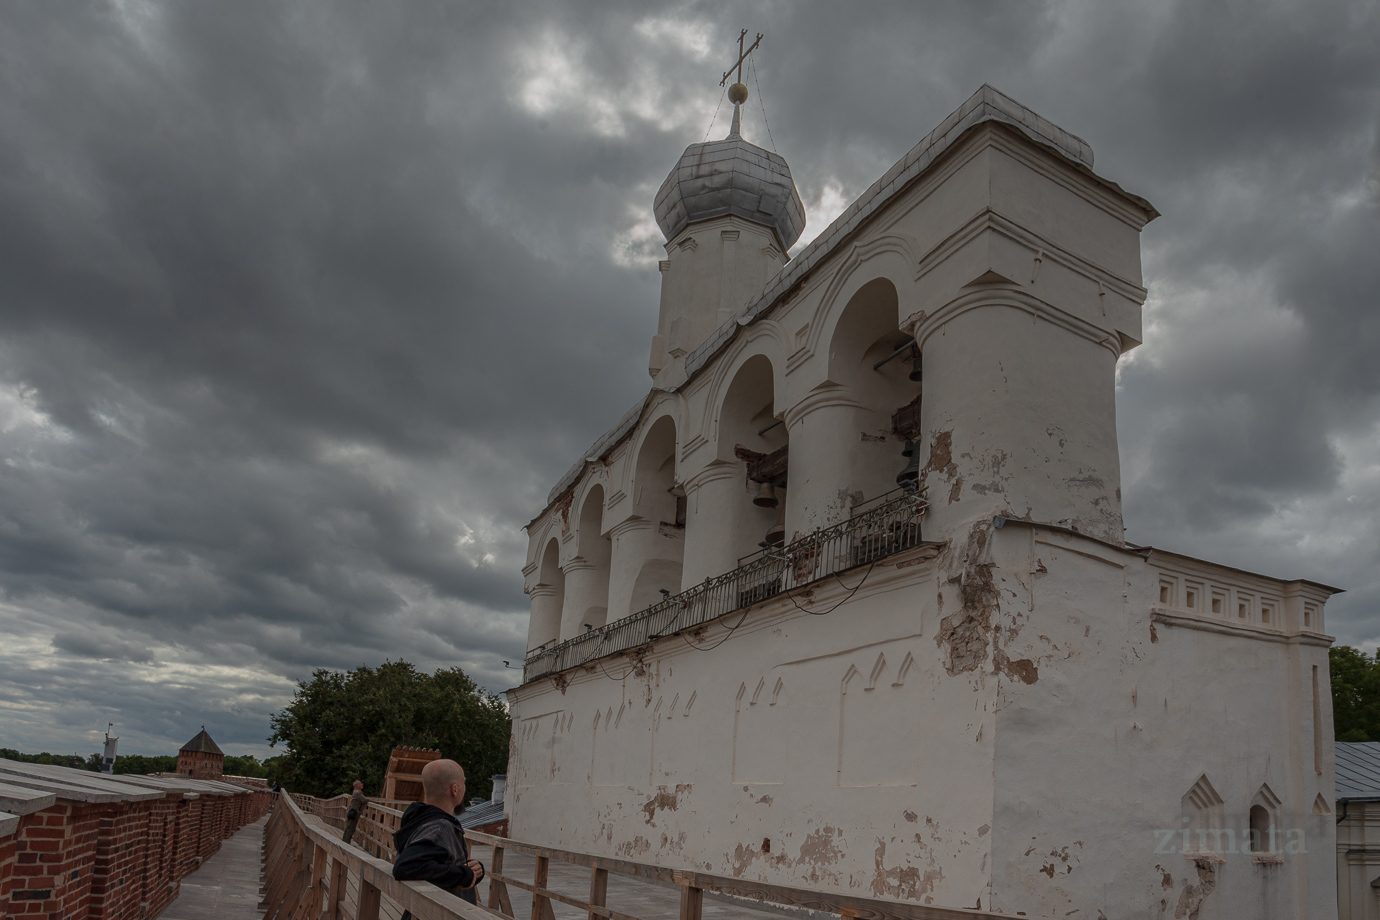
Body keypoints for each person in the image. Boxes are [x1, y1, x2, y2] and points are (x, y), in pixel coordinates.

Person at [392, 759, 485, 912]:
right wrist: (463, 875)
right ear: (455, 790)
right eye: (463, 783)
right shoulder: (440, 827)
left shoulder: (421, 819)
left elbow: (434, 861)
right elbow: (405, 866)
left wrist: (472, 870)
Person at [342, 780, 367, 845]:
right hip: (354, 812)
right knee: (351, 828)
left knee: (349, 827)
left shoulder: (356, 791)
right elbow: (364, 800)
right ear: (356, 786)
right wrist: (373, 801)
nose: (362, 784)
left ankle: (345, 841)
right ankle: (346, 842)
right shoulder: (358, 792)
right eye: (360, 783)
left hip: (352, 811)